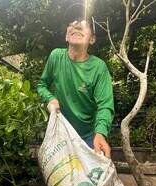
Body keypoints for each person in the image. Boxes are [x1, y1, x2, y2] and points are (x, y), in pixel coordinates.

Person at [37, 18, 114, 158]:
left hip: (89, 137)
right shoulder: (56, 56)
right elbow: (42, 85)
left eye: (84, 24)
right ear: (66, 36)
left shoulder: (99, 67)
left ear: (92, 39)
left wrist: (101, 133)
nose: (77, 25)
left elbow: (105, 105)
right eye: (72, 23)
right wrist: (50, 98)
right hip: (59, 134)